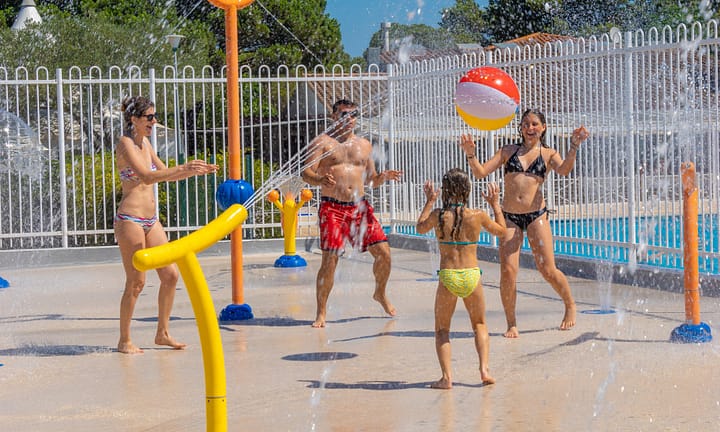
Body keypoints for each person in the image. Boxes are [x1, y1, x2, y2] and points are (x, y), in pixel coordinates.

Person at [459, 108, 590, 338]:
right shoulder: (508, 151)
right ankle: (511, 323)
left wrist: (574, 146)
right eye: (526, 124)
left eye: (535, 124)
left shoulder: (548, 154)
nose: (530, 128)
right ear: (520, 128)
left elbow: (564, 170)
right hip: (510, 217)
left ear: (543, 128)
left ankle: (570, 304)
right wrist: (471, 155)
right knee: (508, 271)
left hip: (536, 216)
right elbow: (480, 173)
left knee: (548, 269)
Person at [115, 96, 218, 354]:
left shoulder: (146, 143)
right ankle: (124, 340)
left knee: (170, 275)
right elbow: (147, 176)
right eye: (149, 117)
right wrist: (184, 167)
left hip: (151, 221)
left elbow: (165, 174)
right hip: (130, 220)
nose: (154, 121)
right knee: (136, 282)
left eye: (154, 116)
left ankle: (162, 333)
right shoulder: (125, 143)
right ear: (134, 119)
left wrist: (193, 170)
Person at [301, 99, 402, 328]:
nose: (349, 119)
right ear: (334, 117)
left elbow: (371, 180)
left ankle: (380, 293)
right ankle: (321, 312)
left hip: (359, 207)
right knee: (330, 260)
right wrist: (319, 179)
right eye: (344, 114)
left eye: (353, 115)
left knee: (384, 254)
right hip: (332, 208)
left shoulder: (364, 145)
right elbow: (306, 173)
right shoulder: (322, 142)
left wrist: (383, 177)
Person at [416, 168, 506, 389]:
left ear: (445, 190)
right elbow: (502, 232)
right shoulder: (477, 215)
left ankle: (446, 378)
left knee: (442, 330)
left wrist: (429, 201)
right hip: (471, 275)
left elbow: (419, 228)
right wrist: (495, 204)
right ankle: (484, 369)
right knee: (479, 324)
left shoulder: (438, 215)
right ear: (467, 190)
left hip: (448, 276)